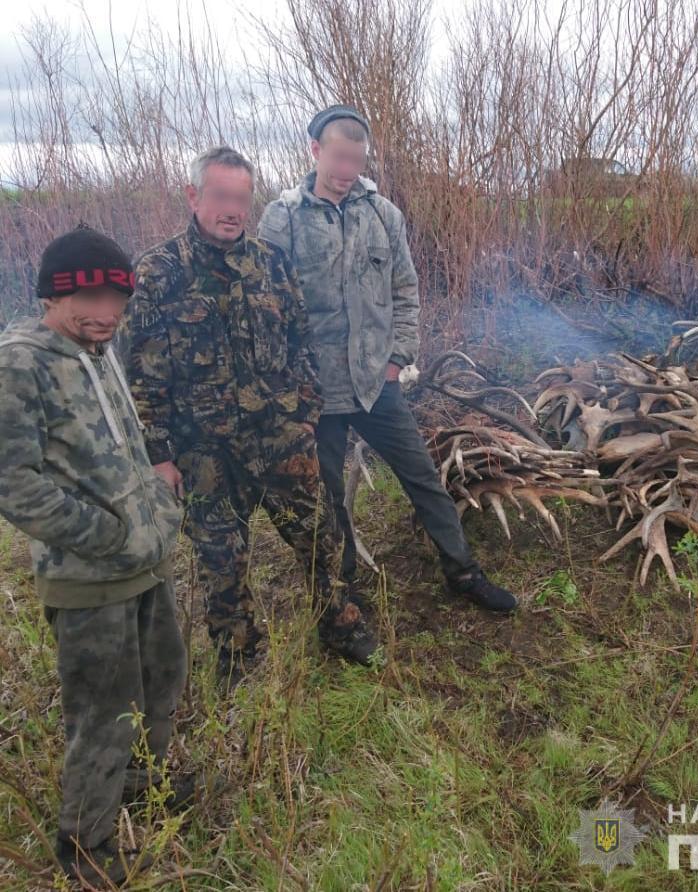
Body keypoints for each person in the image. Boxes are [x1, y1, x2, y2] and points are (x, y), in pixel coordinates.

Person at [122, 145, 378, 675]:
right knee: (220, 560)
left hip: (280, 437)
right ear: (194, 197)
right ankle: (236, 651)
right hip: (205, 450)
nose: (233, 209)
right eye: (220, 196)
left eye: (242, 197)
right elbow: (143, 376)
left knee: (318, 538)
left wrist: (305, 414)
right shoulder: (157, 273)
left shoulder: (270, 263)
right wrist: (159, 456)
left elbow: (301, 340)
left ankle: (339, 622)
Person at [258, 105, 518, 613]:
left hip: (377, 383)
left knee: (421, 476)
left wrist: (398, 357)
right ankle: (344, 589)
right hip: (315, 390)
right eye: (338, 158)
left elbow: (405, 288)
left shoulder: (383, 214)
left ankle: (463, 571)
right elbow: (267, 307)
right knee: (327, 494)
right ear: (315, 151)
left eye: (356, 159)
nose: (346, 170)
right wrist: (286, 381)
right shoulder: (283, 217)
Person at [0, 226, 187, 886]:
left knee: (163, 678)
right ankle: (85, 848)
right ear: (54, 293)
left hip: (145, 559)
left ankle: (143, 787)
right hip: (88, 576)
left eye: (118, 300)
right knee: (103, 712)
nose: (108, 313)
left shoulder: (100, 349)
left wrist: (156, 508)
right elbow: (12, 481)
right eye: (93, 299)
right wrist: (106, 533)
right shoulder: (19, 363)